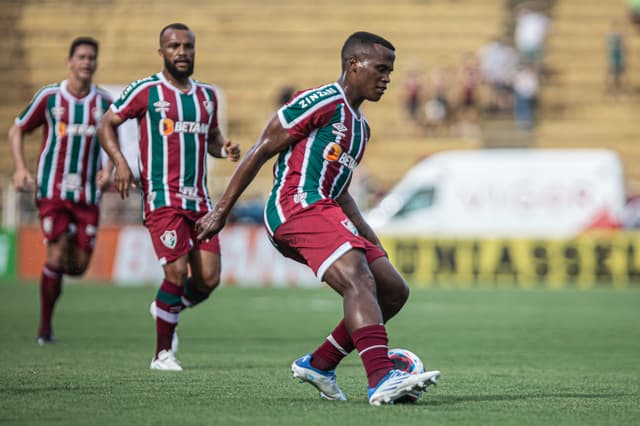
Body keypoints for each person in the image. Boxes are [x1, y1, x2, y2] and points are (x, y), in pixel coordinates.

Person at [195, 31, 440, 405]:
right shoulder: (321, 100)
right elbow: (262, 148)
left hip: (327, 210)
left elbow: (340, 191)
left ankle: (320, 364)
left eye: (390, 71)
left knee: (393, 289)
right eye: (381, 69)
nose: (387, 78)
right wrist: (221, 209)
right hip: (294, 206)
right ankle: (380, 379)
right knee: (358, 274)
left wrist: (370, 238)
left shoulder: (361, 128)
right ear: (353, 65)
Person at [97, 23, 240, 371]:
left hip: (201, 202)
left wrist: (225, 148)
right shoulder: (146, 90)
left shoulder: (206, 96)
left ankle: (167, 306)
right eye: (173, 46)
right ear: (161, 52)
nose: (181, 52)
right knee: (175, 272)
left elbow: (213, 139)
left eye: (187, 46)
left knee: (208, 280)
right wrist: (120, 163)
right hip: (163, 199)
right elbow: (106, 124)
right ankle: (162, 354)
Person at [9, 37, 114, 346]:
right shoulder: (50, 97)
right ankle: (45, 328)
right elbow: (18, 128)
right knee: (55, 251)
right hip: (52, 192)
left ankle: (59, 271)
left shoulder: (105, 103)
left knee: (79, 266)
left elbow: (114, 140)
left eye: (91, 57)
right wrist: (19, 168)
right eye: (81, 57)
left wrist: (109, 170)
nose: (86, 62)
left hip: (87, 196)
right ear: (70, 62)